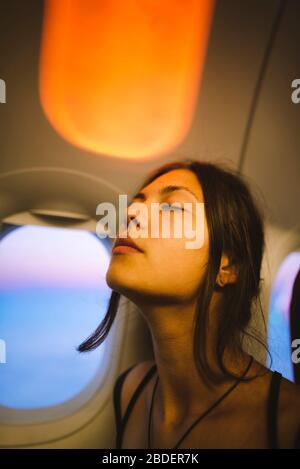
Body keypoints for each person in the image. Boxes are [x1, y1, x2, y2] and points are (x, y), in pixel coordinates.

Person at [78, 159, 300, 448]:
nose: (130, 211)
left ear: (227, 265)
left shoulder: (288, 422)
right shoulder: (129, 392)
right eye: (136, 202)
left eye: (172, 207)